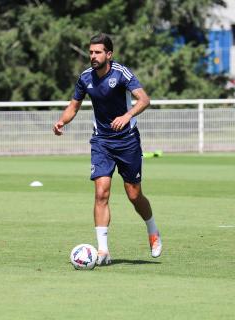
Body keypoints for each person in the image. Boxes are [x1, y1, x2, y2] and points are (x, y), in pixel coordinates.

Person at [53, 33, 162, 265]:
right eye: (91, 52)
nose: (93, 56)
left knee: (134, 194)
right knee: (101, 192)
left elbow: (144, 99)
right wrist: (63, 121)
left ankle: (152, 230)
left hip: (127, 140)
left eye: (97, 52)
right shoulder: (85, 78)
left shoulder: (121, 73)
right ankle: (103, 251)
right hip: (101, 141)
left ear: (108, 54)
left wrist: (127, 115)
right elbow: (74, 106)